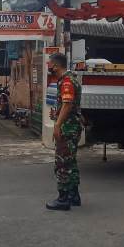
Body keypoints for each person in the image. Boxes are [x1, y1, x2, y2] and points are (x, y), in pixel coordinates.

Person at [46, 53, 83, 211]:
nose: (48, 66)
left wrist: (57, 125)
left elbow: (67, 104)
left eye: (50, 64)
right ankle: (74, 195)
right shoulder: (71, 79)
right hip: (72, 126)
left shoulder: (66, 81)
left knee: (62, 163)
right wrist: (57, 114)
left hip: (67, 128)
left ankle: (63, 199)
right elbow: (68, 105)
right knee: (71, 162)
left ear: (56, 65)